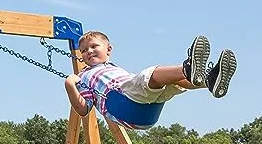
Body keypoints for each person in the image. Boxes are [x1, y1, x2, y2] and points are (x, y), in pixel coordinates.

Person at [65, 32, 237, 129]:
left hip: (147, 110)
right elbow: (82, 109)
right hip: (125, 105)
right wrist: (70, 84)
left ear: (108, 49)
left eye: (94, 46)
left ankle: (208, 80)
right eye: (84, 50)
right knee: (149, 75)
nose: (89, 51)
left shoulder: (114, 68)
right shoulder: (83, 77)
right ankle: (188, 68)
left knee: (172, 82)